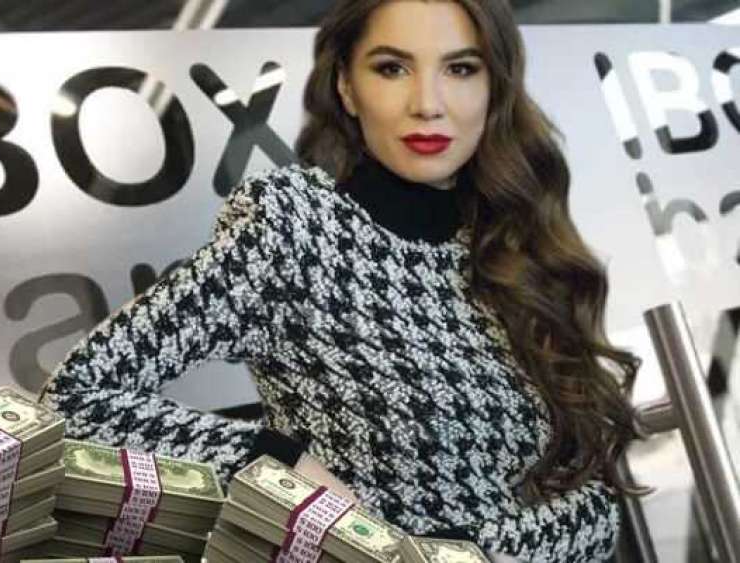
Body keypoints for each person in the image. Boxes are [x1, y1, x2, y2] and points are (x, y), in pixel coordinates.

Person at [39, 1, 646, 561]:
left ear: (496, 88)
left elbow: (591, 501)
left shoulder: (512, 245)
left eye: (461, 69)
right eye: (392, 68)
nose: (428, 103)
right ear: (347, 89)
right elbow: (75, 397)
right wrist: (273, 464)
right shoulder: (295, 227)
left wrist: (471, 552)